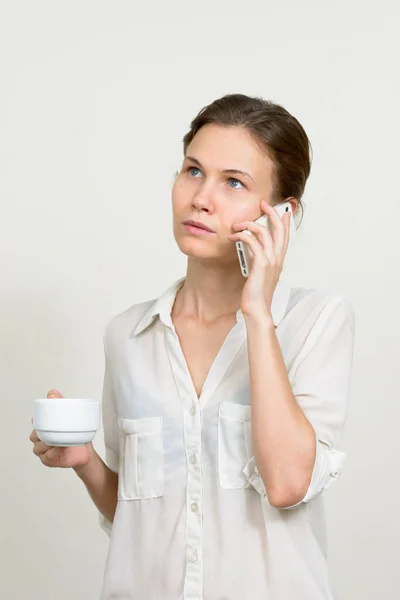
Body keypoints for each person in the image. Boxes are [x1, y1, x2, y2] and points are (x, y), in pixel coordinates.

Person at [30, 93, 356, 600]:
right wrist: (87, 462)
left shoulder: (315, 322)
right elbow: (141, 517)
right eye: (192, 171)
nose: (201, 198)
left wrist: (257, 314)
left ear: (283, 214)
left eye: (234, 182)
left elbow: (288, 483)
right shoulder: (127, 336)